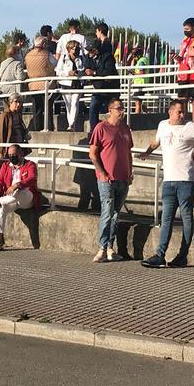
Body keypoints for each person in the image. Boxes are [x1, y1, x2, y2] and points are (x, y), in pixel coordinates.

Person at [139, 100, 194, 268]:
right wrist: (147, 152)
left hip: (186, 181)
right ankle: (160, 255)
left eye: (184, 112)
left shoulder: (190, 126)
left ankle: (182, 256)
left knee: (186, 217)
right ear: (170, 112)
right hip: (168, 179)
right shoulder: (163, 125)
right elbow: (156, 142)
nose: (183, 115)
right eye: (179, 112)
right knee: (166, 218)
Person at [88, 98, 133, 263]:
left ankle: (110, 248)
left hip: (123, 177)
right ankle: (102, 247)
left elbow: (128, 153)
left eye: (122, 108)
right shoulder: (101, 128)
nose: (122, 111)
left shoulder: (126, 129)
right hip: (106, 178)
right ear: (110, 110)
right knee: (107, 212)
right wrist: (103, 173)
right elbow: (93, 153)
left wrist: (130, 172)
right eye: (118, 108)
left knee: (116, 214)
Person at [0, 144, 47, 252]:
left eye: (14, 155)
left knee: (19, 192)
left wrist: (17, 185)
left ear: (21, 154)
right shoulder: (6, 166)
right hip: (11, 199)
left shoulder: (29, 164)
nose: (11, 157)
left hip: (27, 197)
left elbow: (32, 178)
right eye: (9, 155)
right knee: (1, 209)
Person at [85, 28, 119, 132]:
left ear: (97, 50)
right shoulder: (89, 58)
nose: (89, 52)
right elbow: (86, 68)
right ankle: (94, 131)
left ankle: (115, 129)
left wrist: (94, 73)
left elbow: (108, 71)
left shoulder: (108, 57)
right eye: (88, 50)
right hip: (99, 88)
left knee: (114, 109)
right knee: (93, 108)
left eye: (91, 50)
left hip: (110, 88)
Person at [24, 35, 56, 131]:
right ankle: (49, 127)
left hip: (33, 84)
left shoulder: (27, 55)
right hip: (46, 84)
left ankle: (37, 128)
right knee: (48, 108)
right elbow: (55, 64)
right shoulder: (47, 54)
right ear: (43, 44)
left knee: (36, 108)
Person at [55, 39, 87, 131]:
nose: (76, 50)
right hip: (66, 84)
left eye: (77, 48)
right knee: (68, 104)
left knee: (74, 103)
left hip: (77, 84)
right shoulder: (63, 58)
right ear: (69, 49)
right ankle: (71, 124)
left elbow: (84, 69)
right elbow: (58, 71)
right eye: (74, 48)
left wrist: (80, 72)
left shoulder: (82, 58)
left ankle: (71, 124)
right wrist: (68, 73)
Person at [128, 47, 149, 116]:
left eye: (135, 55)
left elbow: (142, 73)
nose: (134, 57)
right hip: (141, 83)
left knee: (137, 102)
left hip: (140, 83)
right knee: (138, 101)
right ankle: (147, 111)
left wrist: (133, 73)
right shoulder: (144, 60)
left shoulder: (141, 62)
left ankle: (137, 118)